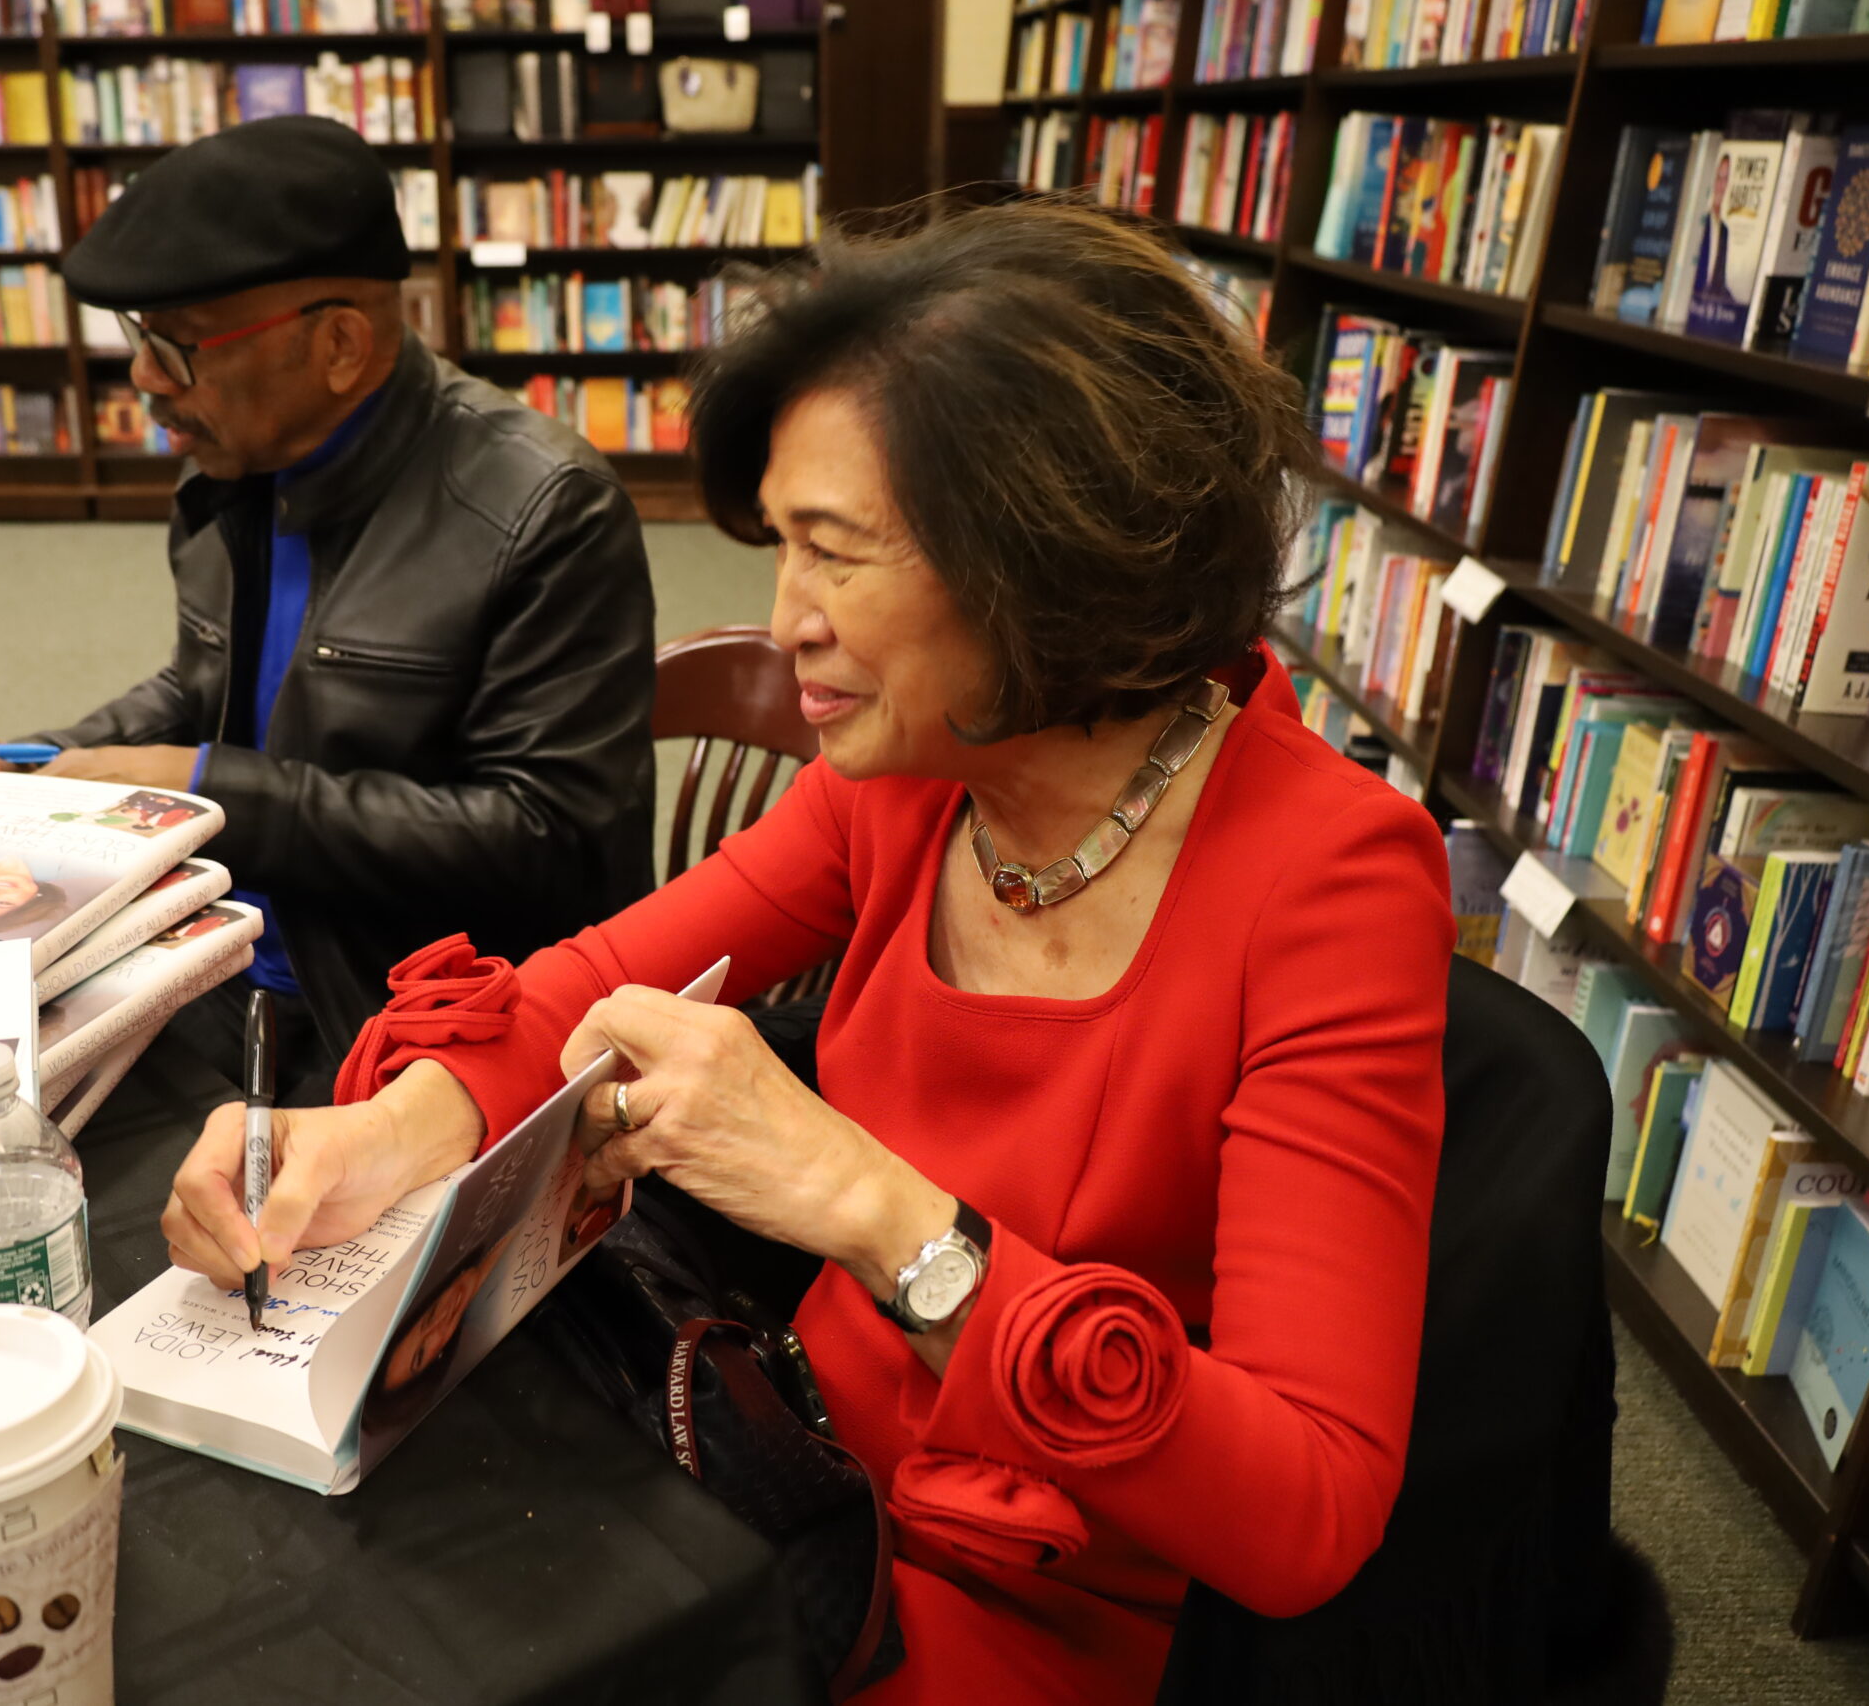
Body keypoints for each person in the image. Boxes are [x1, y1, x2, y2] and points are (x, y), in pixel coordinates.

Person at [159, 202, 1455, 1702]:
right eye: (781, 548)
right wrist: (379, 1131)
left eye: (833, 554)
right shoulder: (906, 783)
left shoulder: (1334, 877)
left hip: (1036, 1588)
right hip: (785, 1459)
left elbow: (1305, 1506)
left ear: (1048, 557)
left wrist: (864, 1198)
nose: (785, 626)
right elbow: (590, 984)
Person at [0, 116, 658, 1089]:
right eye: (136, 337)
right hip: (210, 952)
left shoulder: (544, 508)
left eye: (177, 345)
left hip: (408, 1024)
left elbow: (549, 843)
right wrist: (24, 766)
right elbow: (205, 685)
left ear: (338, 344)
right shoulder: (234, 467)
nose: (145, 378)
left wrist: (208, 790)